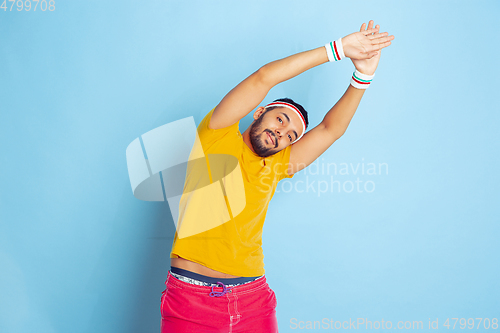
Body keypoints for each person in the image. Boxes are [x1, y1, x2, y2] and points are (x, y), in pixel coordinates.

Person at [160, 20, 394, 332]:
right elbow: (263, 79)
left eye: (291, 135)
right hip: (191, 299)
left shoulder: (279, 165)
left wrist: (363, 75)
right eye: (280, 119)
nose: (282, 132)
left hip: (253, 299)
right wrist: (336, 50)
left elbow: (331, 129)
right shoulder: (216, 135)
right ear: (259, 113)